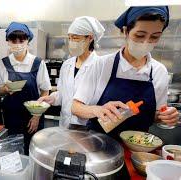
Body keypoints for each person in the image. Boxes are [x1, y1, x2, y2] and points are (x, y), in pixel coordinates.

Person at [71, 6, 179, 139]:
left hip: (137, 146)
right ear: (125, 31)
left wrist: (165, 116)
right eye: (140, 35)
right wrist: (97, 110)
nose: (146, 42)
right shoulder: (102, 64)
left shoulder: (159, 72)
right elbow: (76, 107)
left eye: (155, 37)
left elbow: (155, 116)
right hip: (99, 144)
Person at [0, 22, 51, 155]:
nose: (17, 43)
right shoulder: (2, 64)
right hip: (11, 118)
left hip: (33, 118)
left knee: (33, 153)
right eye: (13, 40)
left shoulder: (38, 63)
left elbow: (45, 92)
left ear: (27, 41)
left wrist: (36, 116)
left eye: (21, 40)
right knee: (13, 154)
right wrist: (4, 90)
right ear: (8, 41)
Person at [39, 16, 105, 128]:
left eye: (75, 38)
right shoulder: (67, 65)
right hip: (65, 124)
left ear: (90, 38)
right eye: (69, 38)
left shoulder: (100, 65)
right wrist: (52, 98)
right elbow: (62, 93)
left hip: (86, 126)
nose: (71, 42)